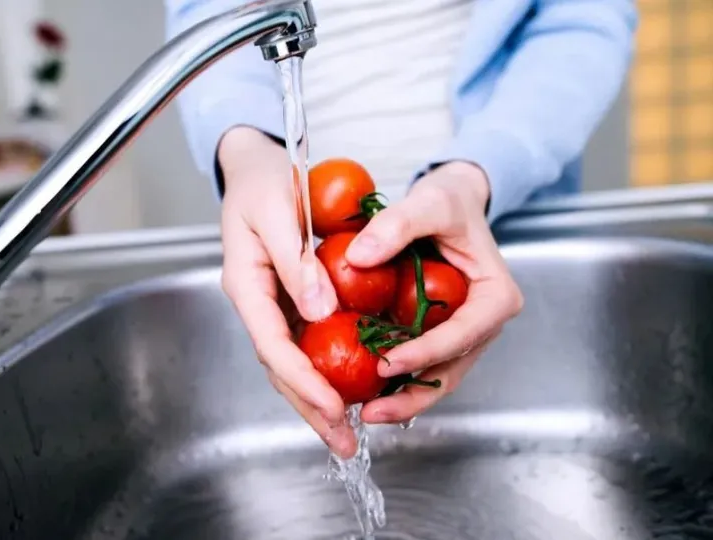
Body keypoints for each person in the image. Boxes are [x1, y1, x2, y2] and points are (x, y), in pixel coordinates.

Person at [163, 0, 637, 458]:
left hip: (490, 216)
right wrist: (246, 151)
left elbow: (582, 14)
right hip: (300, 242)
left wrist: (481, 170)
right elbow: (209, 12)